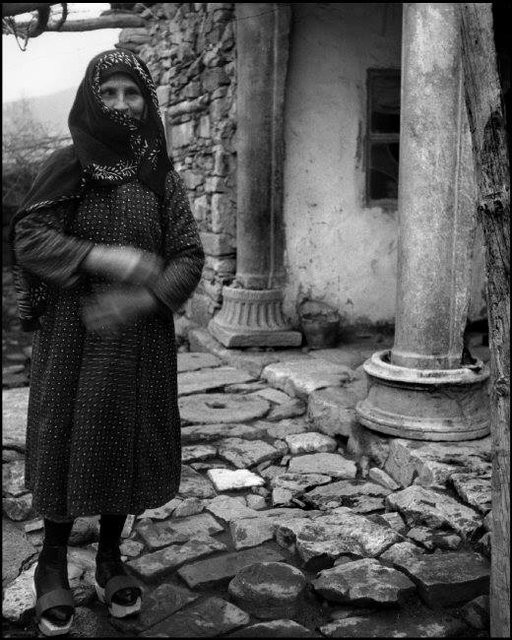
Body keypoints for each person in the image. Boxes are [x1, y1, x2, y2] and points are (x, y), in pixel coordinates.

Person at [10, 48, 205, 636]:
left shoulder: (157, 173)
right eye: (110, 92)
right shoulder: (70, 163)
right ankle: (50, 566)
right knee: (68, 439)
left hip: (140, 339)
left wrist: (145, 298)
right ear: (91, 99)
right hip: (75, 335)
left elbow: (189, 254)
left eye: (132, 93)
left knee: (127, 438)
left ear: (147, 102)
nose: (122, 104)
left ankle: (110, 558)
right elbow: (29, 237)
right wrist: (103, 257)